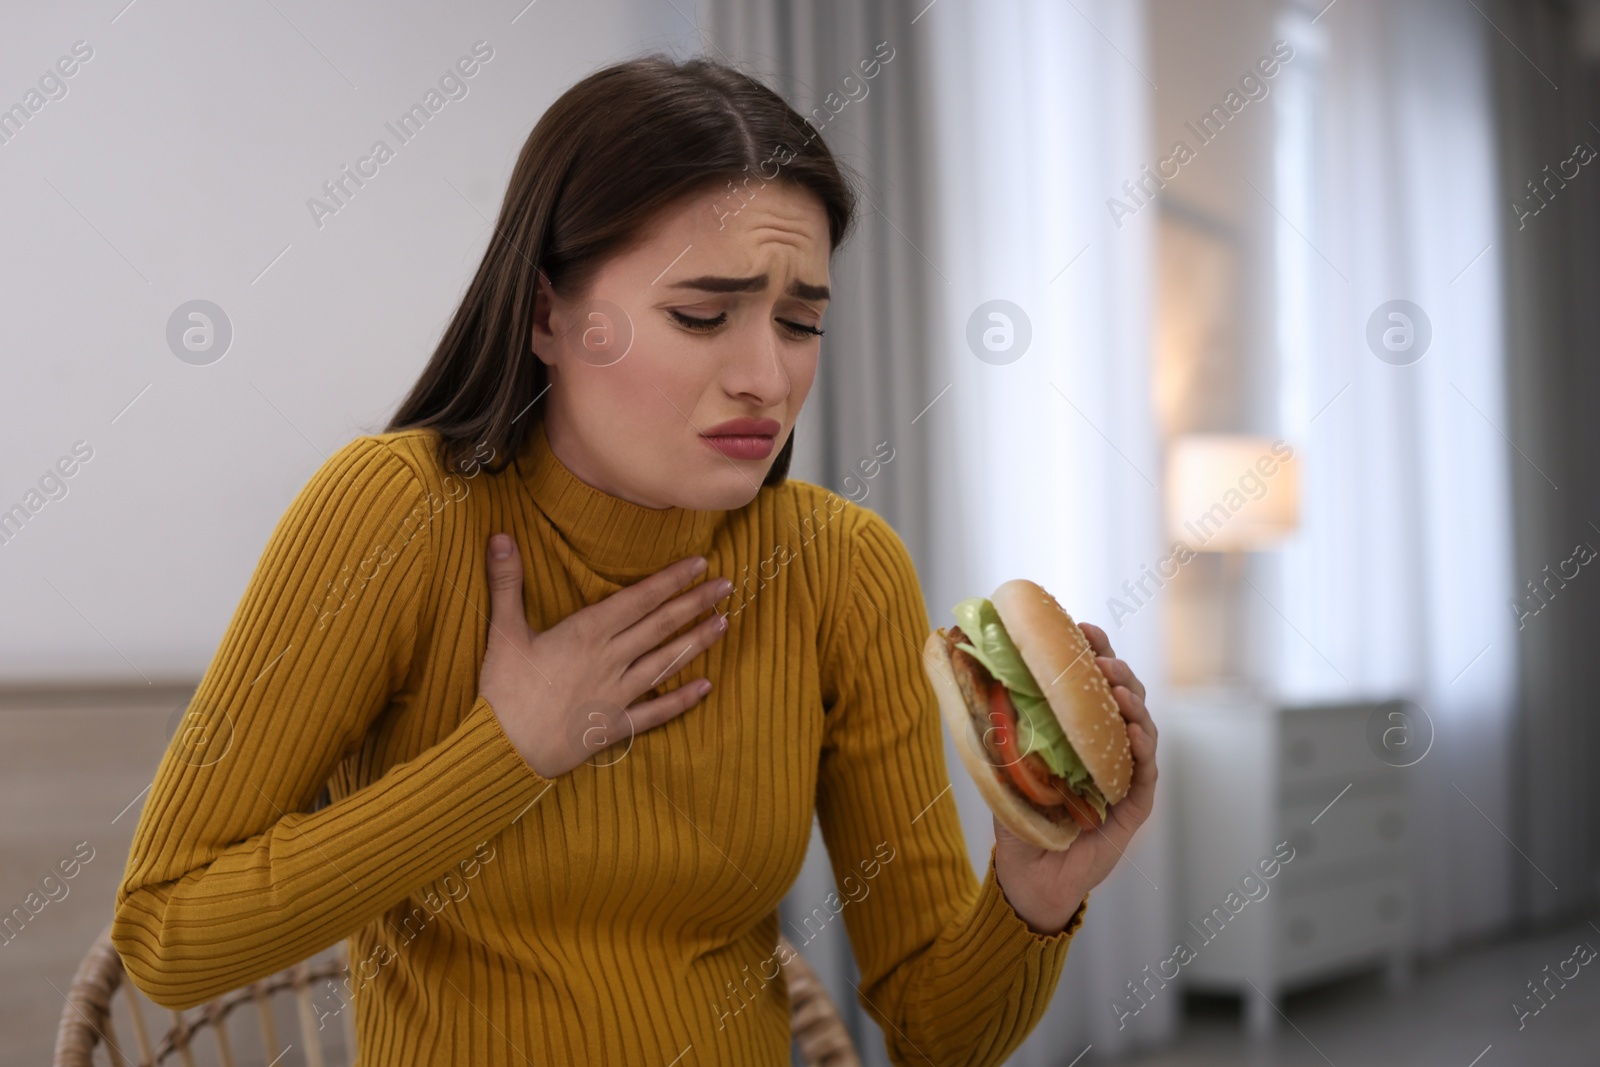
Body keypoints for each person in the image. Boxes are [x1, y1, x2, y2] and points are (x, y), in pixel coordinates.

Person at [112, 54, 1157, 1066]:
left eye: (800, 322)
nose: (765, 375)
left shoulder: (842, 570)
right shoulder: (396, 516)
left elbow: (938, 1033)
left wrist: (1034, 890)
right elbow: (168, 935)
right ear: (546, 313)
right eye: (701, 315)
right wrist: (509, 750)